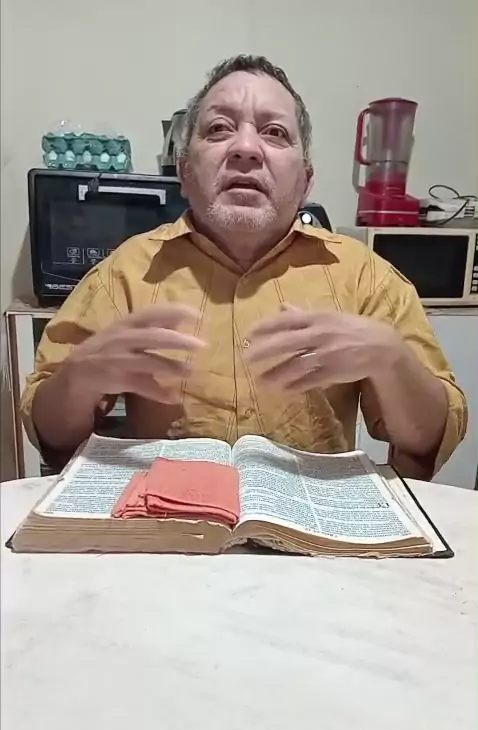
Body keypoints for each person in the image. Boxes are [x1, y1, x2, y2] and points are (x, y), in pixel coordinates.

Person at [21, 54, 467, 480]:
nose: (246, 148)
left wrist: (391, 360)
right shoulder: (124, 274)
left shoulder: (366, 278)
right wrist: (80, 376)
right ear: (184, 171)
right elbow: (49, 432)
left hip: (312, 527)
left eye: (275, 132)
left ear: (306, 179)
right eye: (219, 129)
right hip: (168, 522)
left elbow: (431, 438)